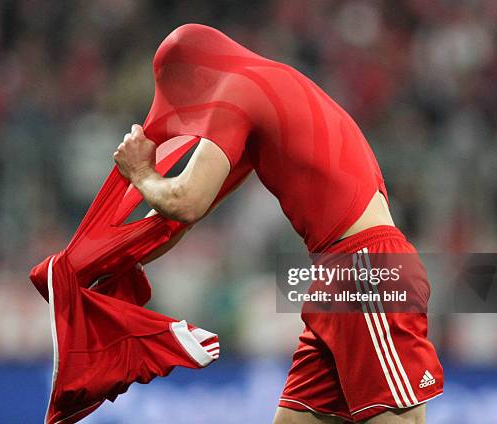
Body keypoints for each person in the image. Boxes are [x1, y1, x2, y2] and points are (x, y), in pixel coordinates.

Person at [115, 24, 442, 423]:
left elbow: (185, 201)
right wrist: (102, 263)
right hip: (341, 276)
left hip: (366, 270)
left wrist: (141, 173)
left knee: (400, 419)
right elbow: (177, 219)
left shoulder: (237, 90)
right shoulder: (267, 93)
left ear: (200, 77)